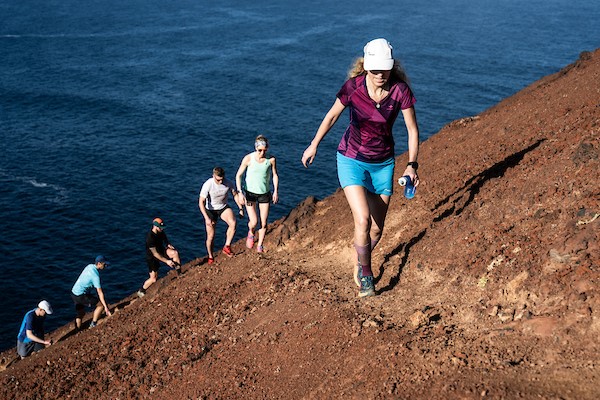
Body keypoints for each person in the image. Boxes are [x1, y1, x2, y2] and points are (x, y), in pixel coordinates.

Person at [301, 38, 420, 298]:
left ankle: (360, 259)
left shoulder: (400, 91)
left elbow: (412, 130)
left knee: (377, 228)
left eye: (384, 69)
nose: (380, 74)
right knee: (363, 219)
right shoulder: (352, 88)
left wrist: (412, 165)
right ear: (365, 66)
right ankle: (367, 275)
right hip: (351, 159)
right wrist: (314, 145)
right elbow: (333, 115)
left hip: (384, 163)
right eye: (375, 69)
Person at [235, 135, 279, 253]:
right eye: (260, 150)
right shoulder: (248, 159)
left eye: (264, 150)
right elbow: (238, 175)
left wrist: (275, 191)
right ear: (256, 148)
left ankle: (260, 246)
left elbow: (274, 175)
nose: (262, 153)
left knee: (264, 223)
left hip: (264, 194)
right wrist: (239, 193)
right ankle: (251, 232)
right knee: (254, 222)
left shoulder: (271, 160)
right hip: (250, 194)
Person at [199, 167, 245, 264]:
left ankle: (227, 246)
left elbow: (235, 194)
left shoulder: (228, 183)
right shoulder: (208, 184)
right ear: (213, 176)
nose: (220, 182)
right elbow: (201, 202)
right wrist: (207, 218)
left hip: (223, 207)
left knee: (233, 223)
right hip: (210, 210)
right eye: (218, 180)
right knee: (211, 236)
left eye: (222, 179)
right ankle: (210, 257)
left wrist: (240, 208)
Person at [137, 217, 181, 297]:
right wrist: (167, 261)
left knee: (175, 253)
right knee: (153, 279)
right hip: (152, 258)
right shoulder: (150, 238)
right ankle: (141, 290)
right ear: (155, 226)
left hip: (161, 250)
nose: (162, 229)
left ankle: (179, 273)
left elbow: (165, 238)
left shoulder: (161, 232)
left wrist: (168, 244)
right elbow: (155, 254)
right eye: (160, 227)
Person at [71, 255, 112, 329]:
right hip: (81, 295)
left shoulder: (89, 266)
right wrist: (106, 307)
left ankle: (77, 329)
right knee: (100, 305)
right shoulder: (95, 276)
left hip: (74, 293)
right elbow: (100, 292)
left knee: (81, 313)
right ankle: (93, 324)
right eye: (104, 264)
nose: (105, 266)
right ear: (99, 264)